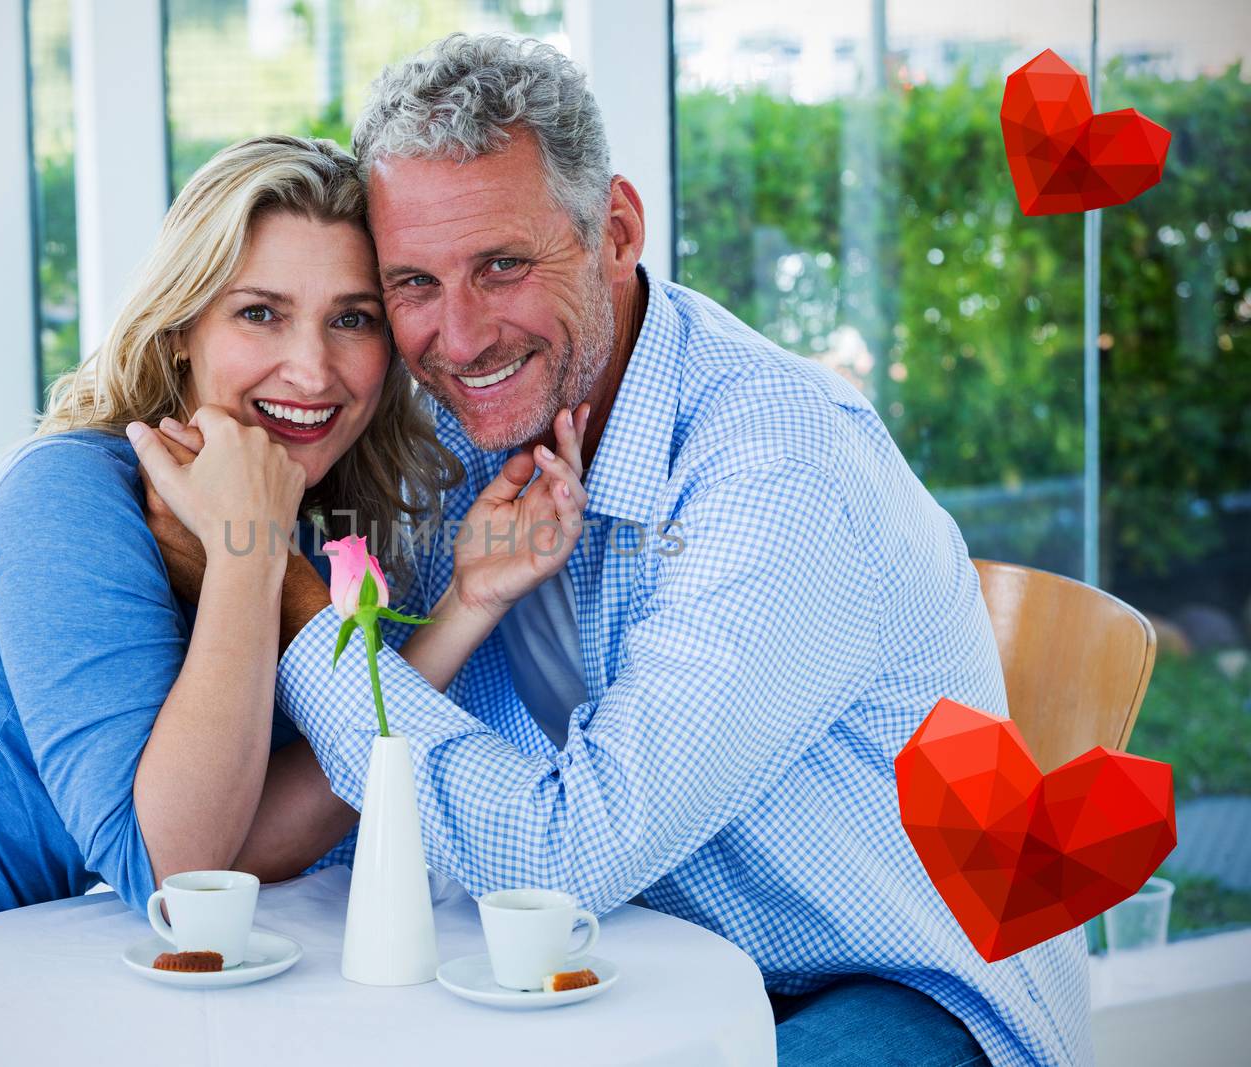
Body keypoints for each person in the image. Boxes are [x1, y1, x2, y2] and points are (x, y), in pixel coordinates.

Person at [141, 36, 1089, 1067]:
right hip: (637, 967)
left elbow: (563, 850)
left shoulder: (778, 470)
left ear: (617, 231)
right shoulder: (451, 426)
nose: (457, 340)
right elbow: (339, 790)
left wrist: (283, 586)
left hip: (896, 986)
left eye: (501, 266)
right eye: (413, 281)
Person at [0, 134, 584, 1065]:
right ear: (181, 330)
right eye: (259, 313)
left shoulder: (278, 519)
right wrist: (248, 555)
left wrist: (468, 601)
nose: (312, 369)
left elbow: (241, 838)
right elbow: (181, 879)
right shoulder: (67, 496)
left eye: (352, 318)